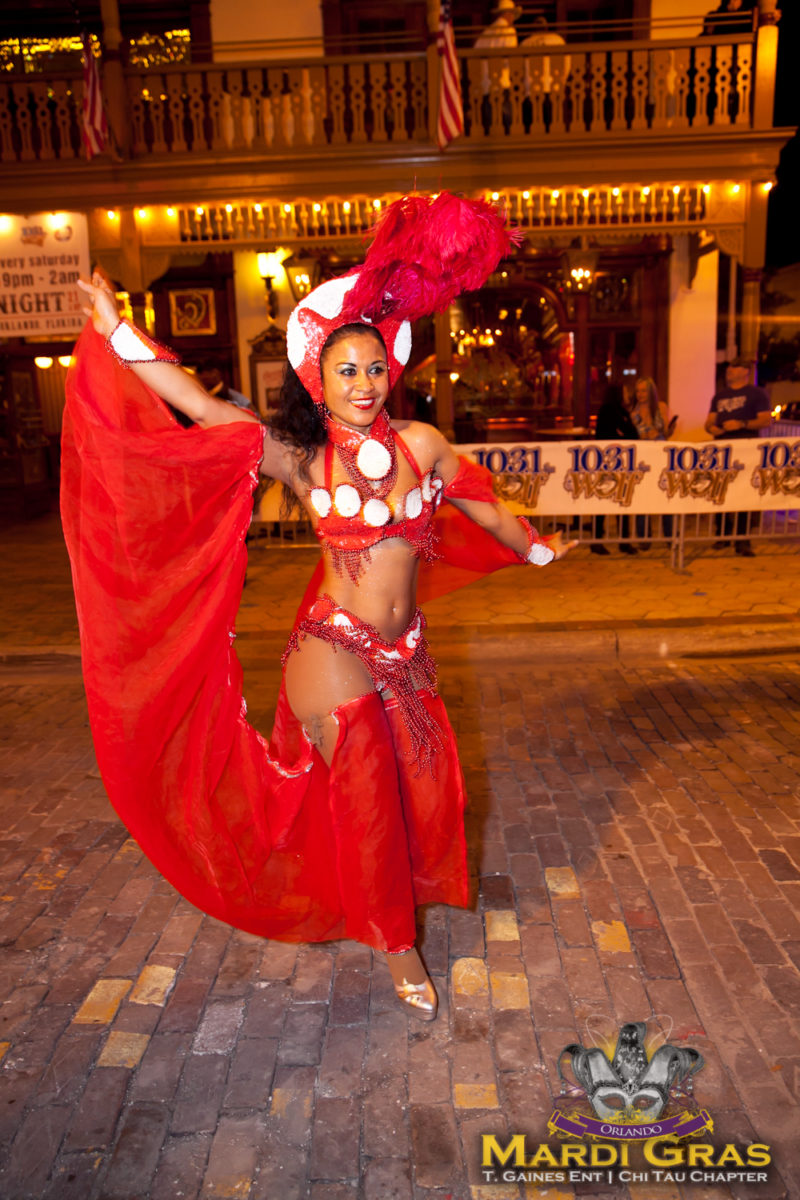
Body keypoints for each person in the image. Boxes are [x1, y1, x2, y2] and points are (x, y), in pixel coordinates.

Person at [65, 193, 574, 1024]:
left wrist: (535, 547)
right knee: (368, 775)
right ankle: (392, 940)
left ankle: (371, 896)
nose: (364, 383)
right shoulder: (302, 462)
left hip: (404, 650)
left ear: (391, 371)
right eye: (347, 370)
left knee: (420, 792)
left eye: (375, 368)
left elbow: (483, 505)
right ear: (319, 379)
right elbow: (200, 406)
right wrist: (119, 332)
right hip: (328, 644)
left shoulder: (423, 446)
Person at [704, 355, 771, 556]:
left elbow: (765, 420)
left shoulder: (757, 394)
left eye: (735, 367)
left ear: (745, 371)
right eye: (729, 367)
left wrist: (741, 424)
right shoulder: (719, 396)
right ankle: (722, 534)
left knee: (743, 493)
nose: (730, 370)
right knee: (721, 491)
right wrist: (713, 429)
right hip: (722, 449)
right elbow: (709, 421)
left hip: (745, 449)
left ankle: (742, 539)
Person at [592, 383, 638, 556]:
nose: (627, 394)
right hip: (607, 464)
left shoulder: (621, 411)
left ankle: (623, 541)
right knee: (603, 503)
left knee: (622, 502)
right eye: (625, 390)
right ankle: (597, 541)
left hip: (621, 464)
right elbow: (616, 434)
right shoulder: (609, 411)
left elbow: (631, 434)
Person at [630, 377, 672, 546]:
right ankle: (644, 537)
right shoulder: (633, 410)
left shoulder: (660, 407)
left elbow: (666, 429)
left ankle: (669, 536)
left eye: (643, 390)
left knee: (664, 494)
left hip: (659, 454)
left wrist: (656, 431)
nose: (640, 394)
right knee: (642, 497)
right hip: (641, 456)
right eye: (638, 391)